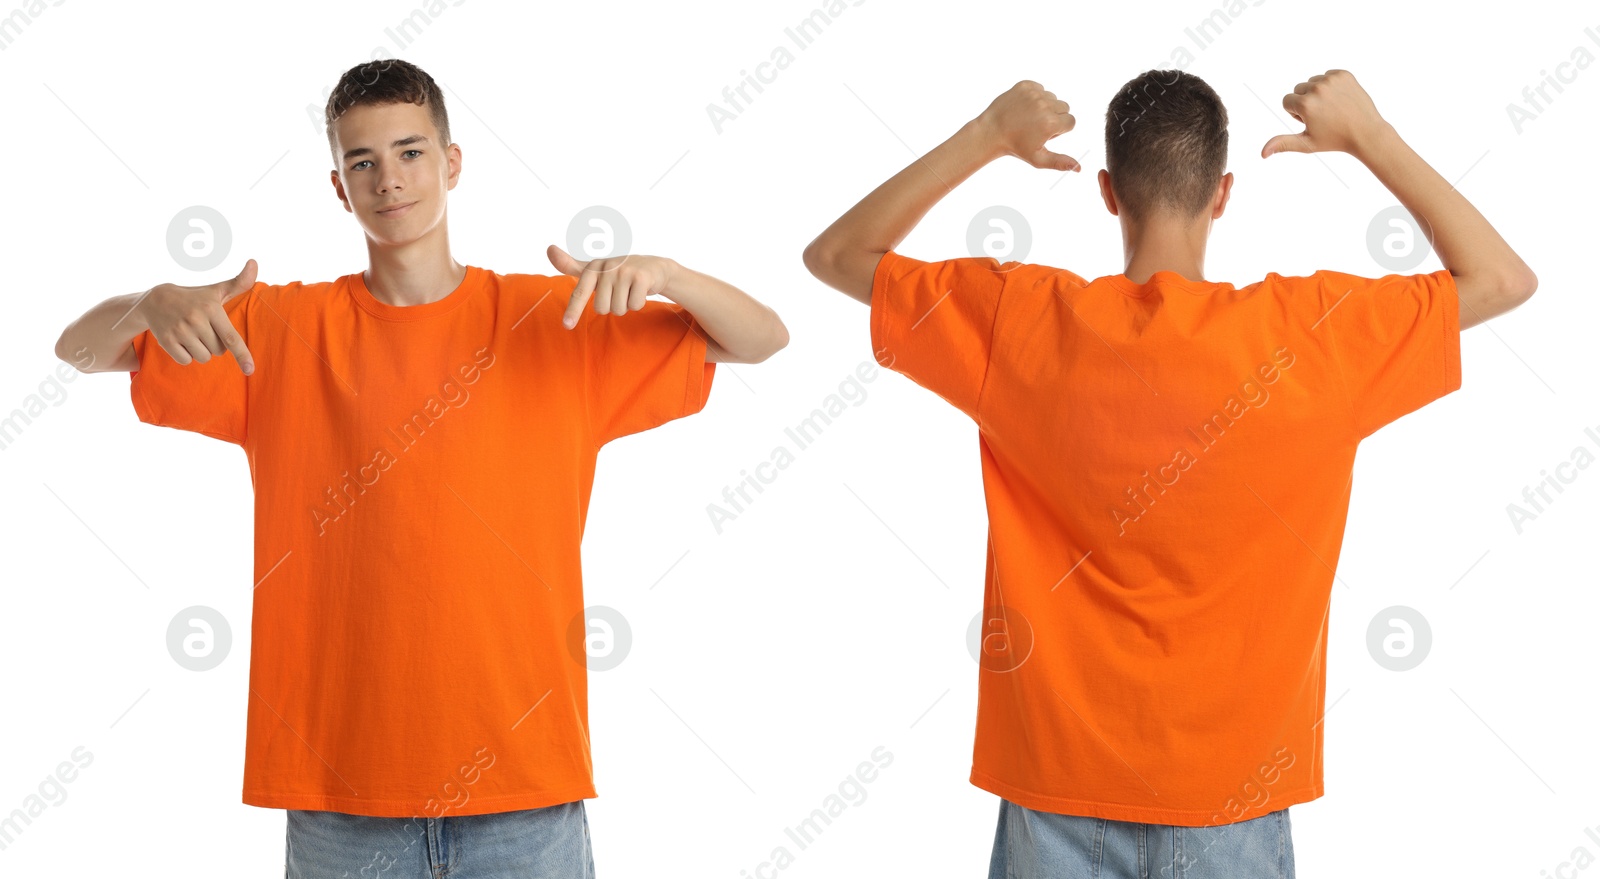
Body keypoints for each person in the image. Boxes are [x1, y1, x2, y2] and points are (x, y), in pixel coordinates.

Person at [54, 58, 787, 878]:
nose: (388, 179)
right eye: (362, 162)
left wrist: (673, 276)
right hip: (341, 796)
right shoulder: (279, 329)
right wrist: (146, 301)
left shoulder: (556, 320)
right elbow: (79, 351)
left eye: (409, 152)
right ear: (339, 187)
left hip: (525, 790)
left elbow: (761, 339)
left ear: (452, 162)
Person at [802, 68, 1535, 878]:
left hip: (1055, 798)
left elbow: (838, 254)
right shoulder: (1311, 337)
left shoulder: (1018, 320)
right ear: (1223, 193)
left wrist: (988, 134)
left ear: (1108, 191)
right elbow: (1502, 279)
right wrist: (1371, 137)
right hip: (1235, 804)